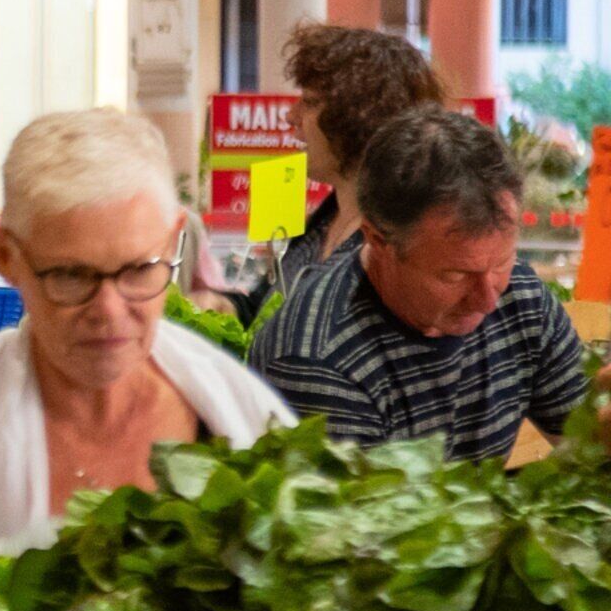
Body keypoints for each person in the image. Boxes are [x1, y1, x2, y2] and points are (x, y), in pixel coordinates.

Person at [0, 110, 290, 549]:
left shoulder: (238, 415)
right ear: (7, 257)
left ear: (174, 240)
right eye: (71, 276)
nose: (108, 310)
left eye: (139, 270)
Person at [251, 105, 592, 463]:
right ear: (378, 241)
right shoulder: (317, 363)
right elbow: (369, 517)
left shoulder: (521, 299)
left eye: (501, 262)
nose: (488, 300)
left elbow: (585, 447)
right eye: (455, 275)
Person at [250, 22, 447, 318]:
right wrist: (228, 305)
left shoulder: (396, 247)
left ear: (358, 119)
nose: (291, 115)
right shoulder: (325, 219)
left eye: (311, 103)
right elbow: (270, 305)